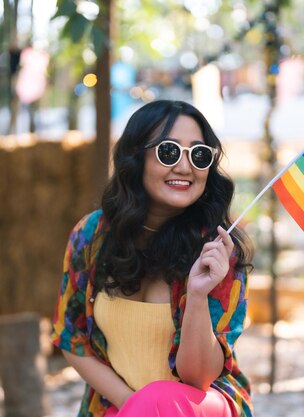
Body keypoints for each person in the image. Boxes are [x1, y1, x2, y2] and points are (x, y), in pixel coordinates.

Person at [51, 100, 253, 417]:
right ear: (136, 158)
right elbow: (70, 337)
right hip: (119, 406)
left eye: (199, 155)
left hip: (198, 407)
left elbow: (199, 378)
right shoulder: (91, 235)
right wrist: (131, 404)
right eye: (168, 151)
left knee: (158, 400)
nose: (185, 168)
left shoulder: (218, 248)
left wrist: (198, 295)